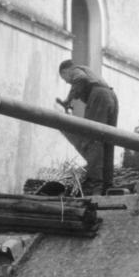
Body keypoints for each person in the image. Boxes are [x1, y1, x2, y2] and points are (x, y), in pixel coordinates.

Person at [56, 60, 119, 195]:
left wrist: (67, 101)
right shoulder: (88, 72)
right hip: (111, 97)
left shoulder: (76, 70)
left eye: (64, 78)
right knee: (108, 140)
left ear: (66, 71)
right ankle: (107, 184)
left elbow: (80, 79)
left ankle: (95, 184)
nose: (67, 82)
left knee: (93, 139)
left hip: (99, 97)